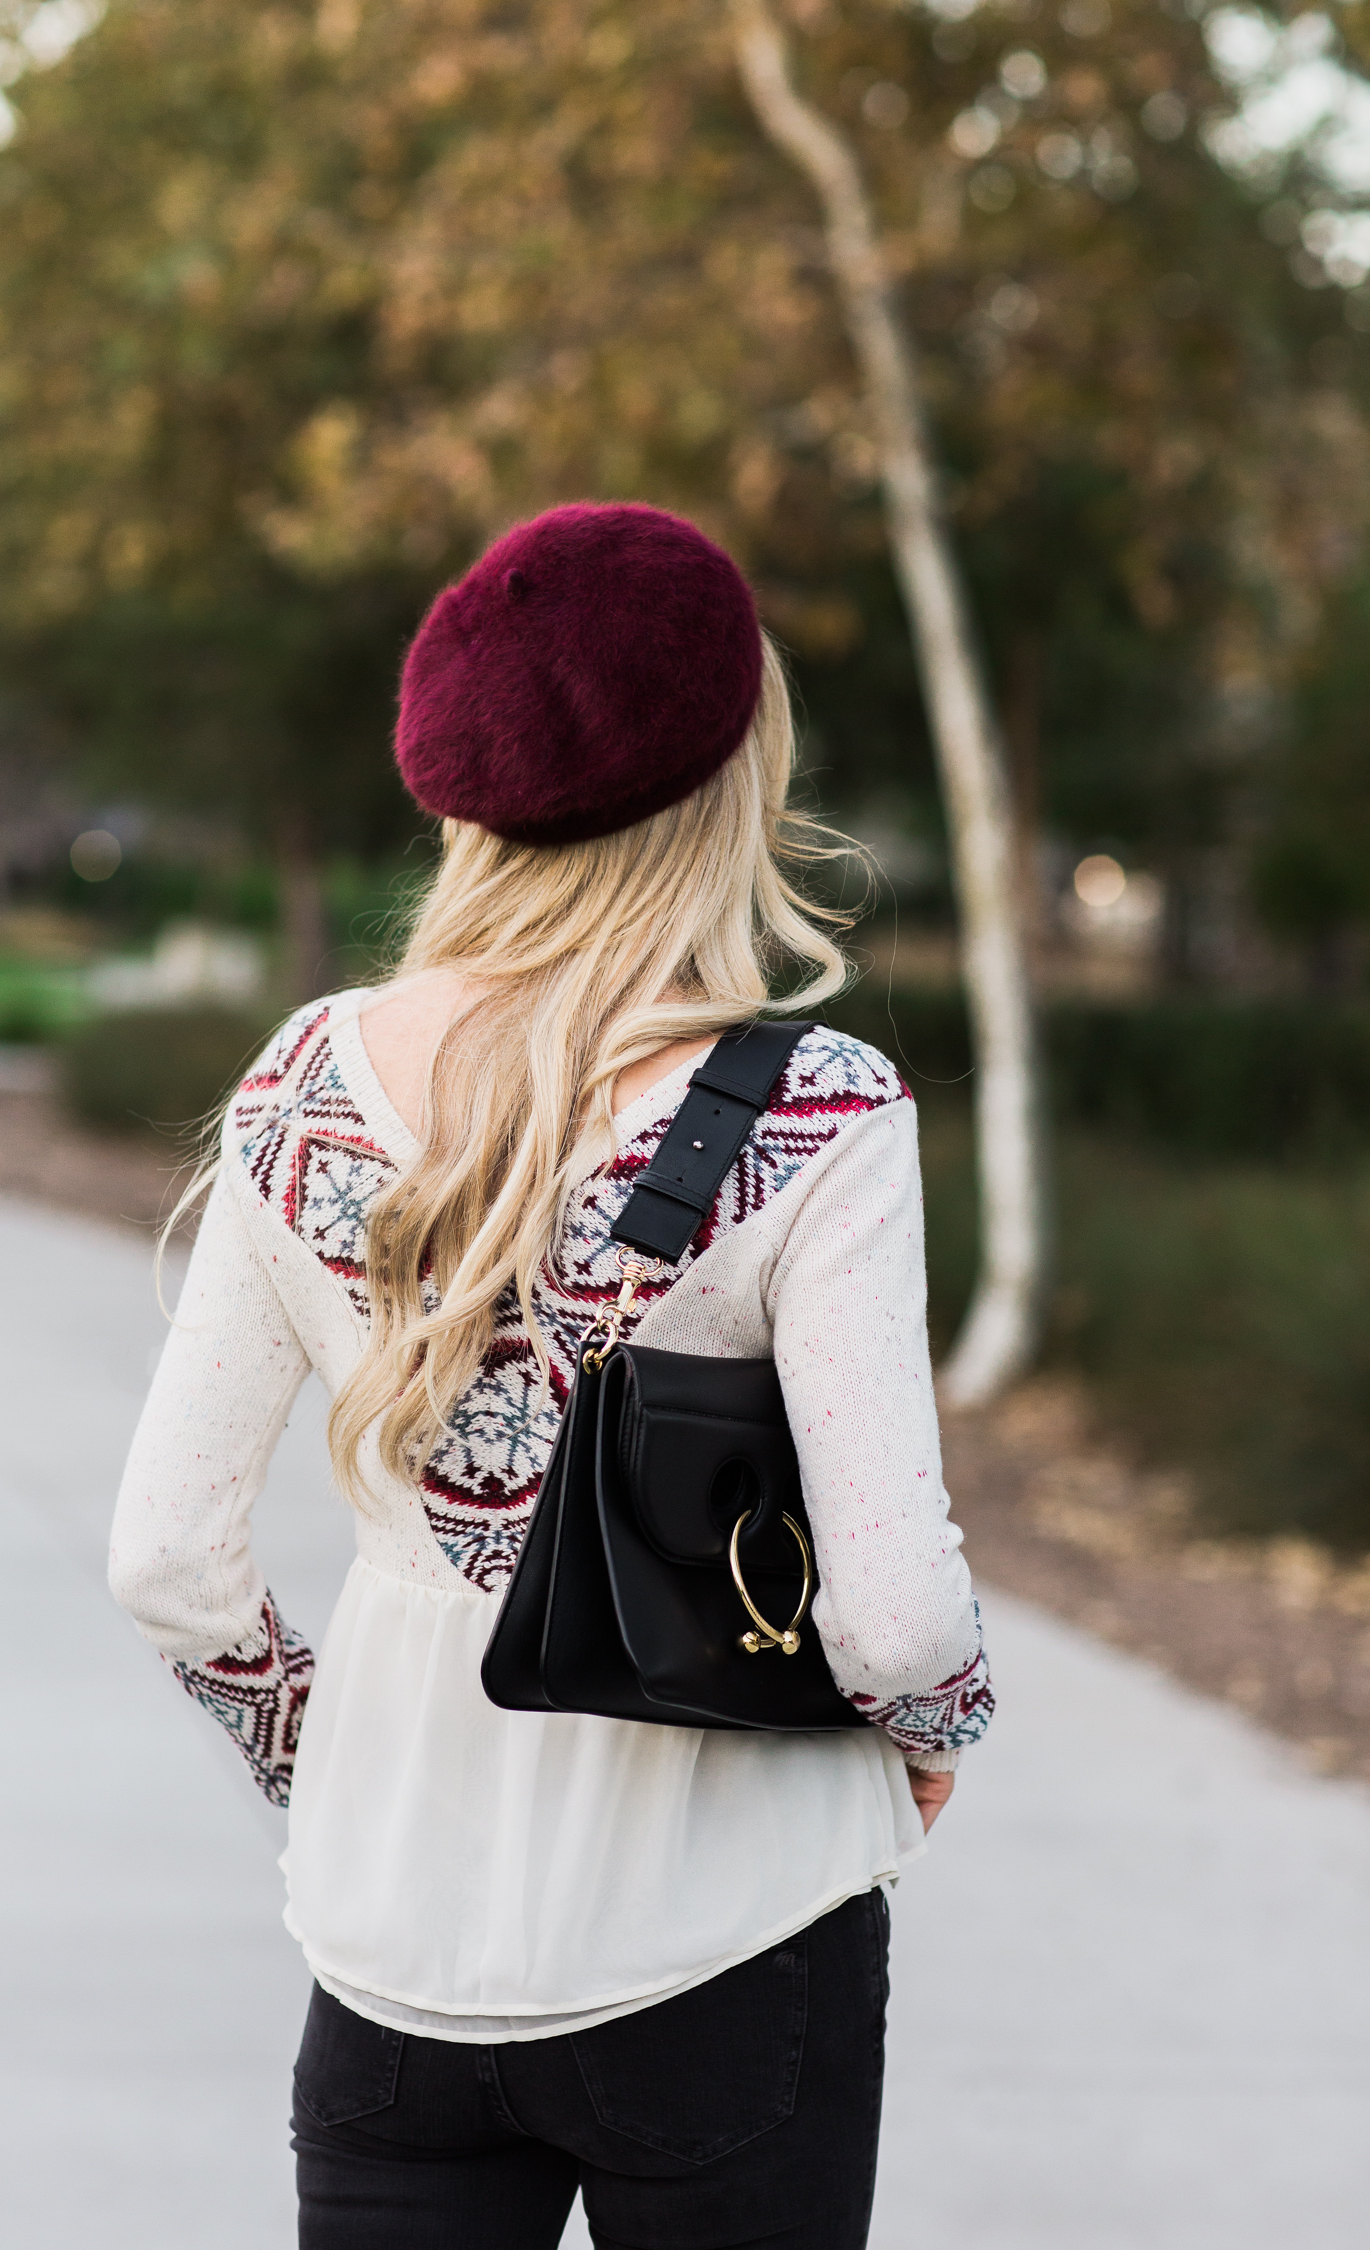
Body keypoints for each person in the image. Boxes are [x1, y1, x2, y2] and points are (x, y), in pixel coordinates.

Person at [110, 501, 993, 2250]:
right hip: (733, 1931)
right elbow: (893, 1622)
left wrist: (325, 1745)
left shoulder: (307, 1077)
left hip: (389, 1959)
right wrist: (937, 1730)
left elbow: (169, 1560)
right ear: (735, 769)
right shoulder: (818, 1108)